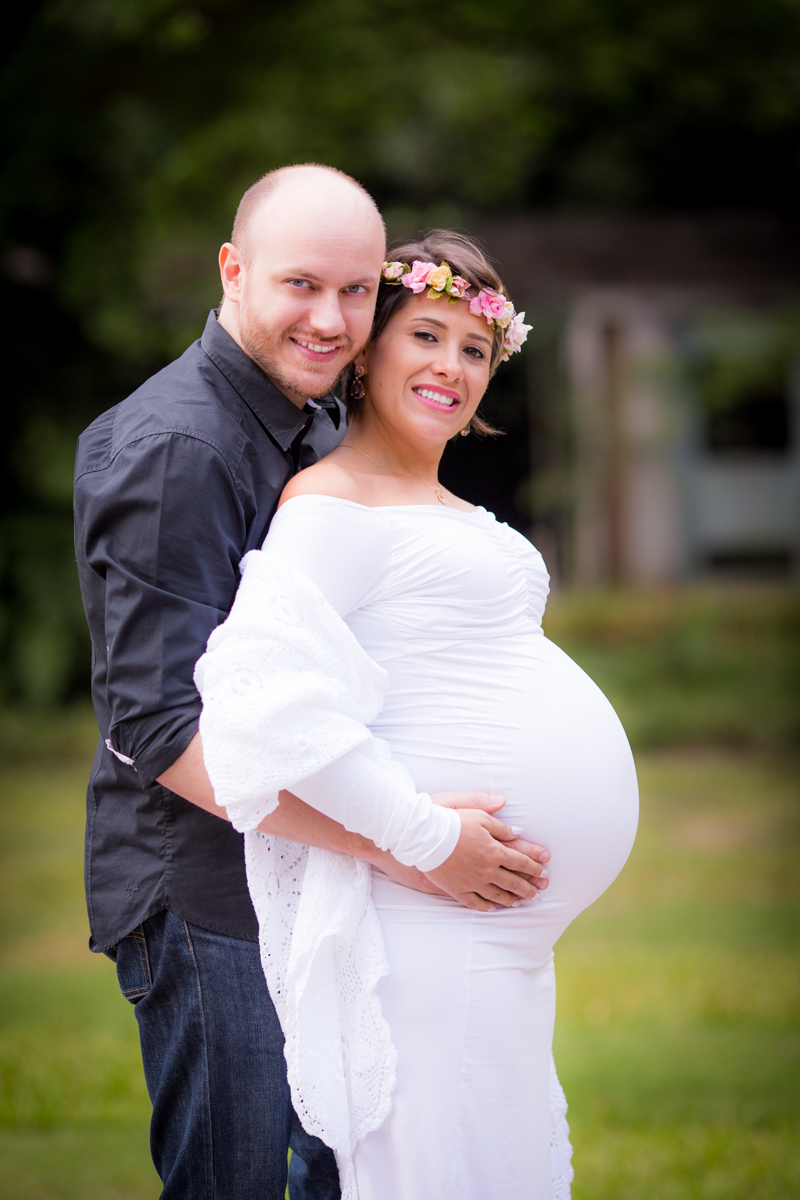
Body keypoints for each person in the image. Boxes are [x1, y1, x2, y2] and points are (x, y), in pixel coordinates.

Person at [73, 167, 549, 1200]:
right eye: (299, 286)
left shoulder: (316, 427)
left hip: (308, 882)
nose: (330, 321)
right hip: (204, 896)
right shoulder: (174, 448)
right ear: (232, 272)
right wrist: (410, 843)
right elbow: (158, 729)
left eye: (353, 294)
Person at [196, 231, 640, 1200]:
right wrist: (427, 836)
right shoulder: (329, 505)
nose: (451, 366)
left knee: (502, 1159)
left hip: (493, 933)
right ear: (364, 352)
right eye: (425, 337)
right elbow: (259, 715)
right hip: (431, 915)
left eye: (474, 349)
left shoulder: (437, 504)